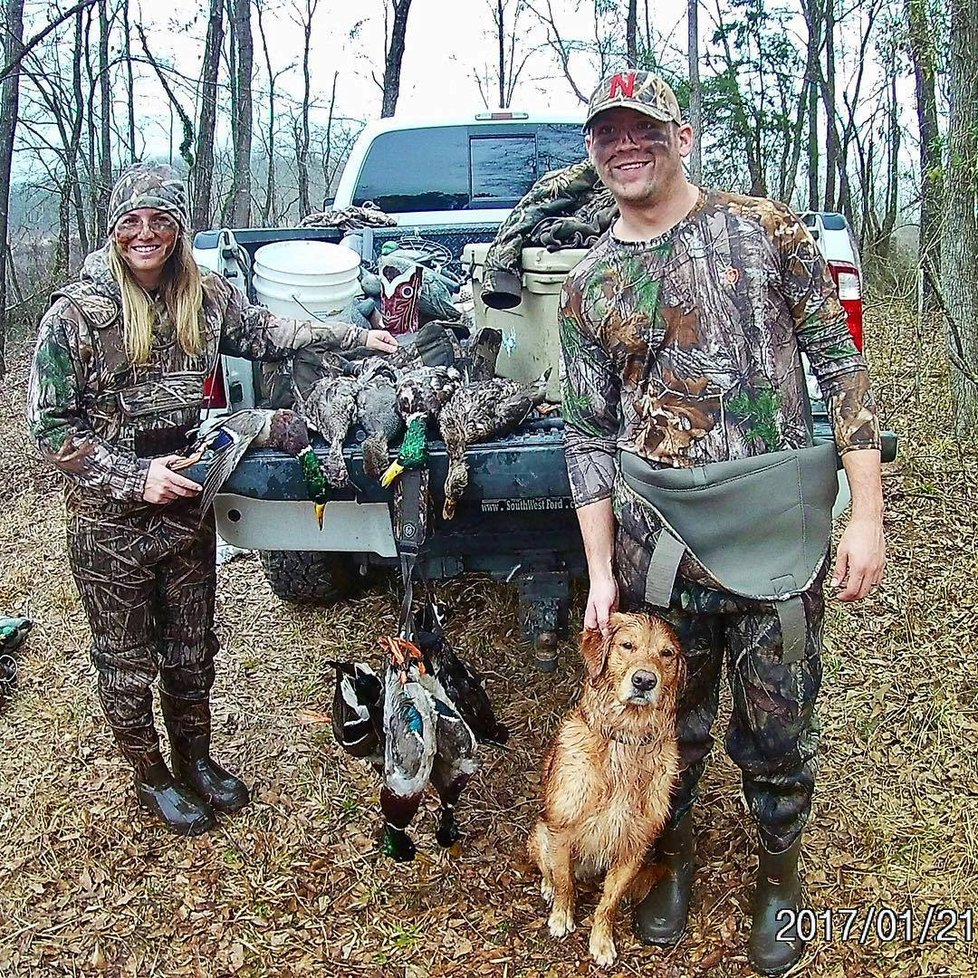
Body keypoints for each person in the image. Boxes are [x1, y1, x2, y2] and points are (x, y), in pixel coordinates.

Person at [559, 72, 885, 975]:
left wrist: (866, 512)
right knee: (673, 725)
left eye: (645, 129)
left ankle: (779, 876)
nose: (627, 146)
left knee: (779, 724)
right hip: (660, 544)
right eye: (609, 134)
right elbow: (585, 436)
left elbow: (840, 368)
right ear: (593, 151)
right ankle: (673, 856)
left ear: (684, 135)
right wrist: (600, 573)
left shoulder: (766, 230)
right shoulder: (590, 281)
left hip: (778, 532)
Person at [27, 163, 398, 836]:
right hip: (111, 526)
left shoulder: (205, 297)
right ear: (115, 229)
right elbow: (50, 426)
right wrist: (132, 477)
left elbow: (268, 333)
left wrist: (355, 336)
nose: (147, 234)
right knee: (127, 662)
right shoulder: (76, 316)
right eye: (133, 222)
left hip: (185, 509)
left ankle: (195, 761)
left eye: (161, 221)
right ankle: (153, 777)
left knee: (194, 650)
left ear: (179, 229)